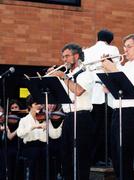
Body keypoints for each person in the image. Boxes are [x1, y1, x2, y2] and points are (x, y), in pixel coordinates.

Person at [102, 34, 134, 179]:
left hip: (130, 113)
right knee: (116, 155)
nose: (125, 50)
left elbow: (131, 87)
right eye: (124, 46)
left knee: (124, 156)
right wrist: (108, 70)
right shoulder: (127, 66)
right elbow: (114, 88)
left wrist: (112, 68)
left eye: (129, 46)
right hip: (118, 112)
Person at [49, 43, 95, 180]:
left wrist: (63, 77)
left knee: (81, 157)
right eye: (63, 57)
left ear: (76, 56)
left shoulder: (86, 73)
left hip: (82, 117)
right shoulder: (68, 75)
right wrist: (52, 80)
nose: (64, 60)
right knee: (66, 156)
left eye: (67, 56)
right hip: (68, 117)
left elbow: (79, 91)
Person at [83, 29, 120, 164]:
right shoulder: (113, 49)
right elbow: (117, 68)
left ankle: (91, 157)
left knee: (92, 128)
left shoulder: (86, 51)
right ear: (110, 40)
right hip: (105, 94)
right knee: (104, 129)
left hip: (90, 94)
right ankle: (102, 157)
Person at [16, 95, 62, 180]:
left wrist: (62, 124)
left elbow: (54, 135)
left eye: (41, 103)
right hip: (30, 147)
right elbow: (19, 134)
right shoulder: (24, 120)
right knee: (36, 153)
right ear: (30, 106)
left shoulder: (45, 118)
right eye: (36, 103)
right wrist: (33, 127)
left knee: (49, 153)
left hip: (44, 146)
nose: (40, 106)